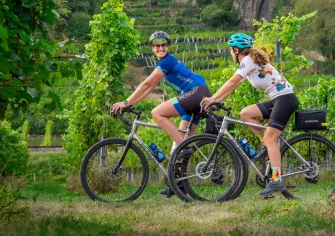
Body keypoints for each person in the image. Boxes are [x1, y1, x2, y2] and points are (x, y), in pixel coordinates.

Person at [112, 31, 210, 197]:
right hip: (198, 96)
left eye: (164, 45)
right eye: (157, 46)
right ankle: (178, 185)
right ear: (152, 48)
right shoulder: (164, 64)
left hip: (196, 94)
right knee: (178, 142)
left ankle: (184, 148)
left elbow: (147, 82)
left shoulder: (167, 61)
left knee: (157, 113)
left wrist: (126, 103)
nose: (160, 48)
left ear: (168, 47)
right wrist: (132, 103)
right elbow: (149, 88)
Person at [201, 33, 299, 196]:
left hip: (285, 99)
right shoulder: (249, 63)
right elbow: (233, 87)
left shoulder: (247, 60)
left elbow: (231, 81)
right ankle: (266, 146)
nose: (230, 53)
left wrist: (212, 98)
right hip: (278, 99)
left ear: (236, 50)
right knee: (246, 113)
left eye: (231, 50)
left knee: (271, 139)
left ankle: (276, 180)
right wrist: (215, 101)